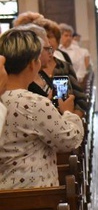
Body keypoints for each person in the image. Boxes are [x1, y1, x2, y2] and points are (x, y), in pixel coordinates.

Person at [0, 29, 83, 190]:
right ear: (32, 64)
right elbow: (69, 140)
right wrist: (68, 113)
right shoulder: (35, 103)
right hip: (35, 194)